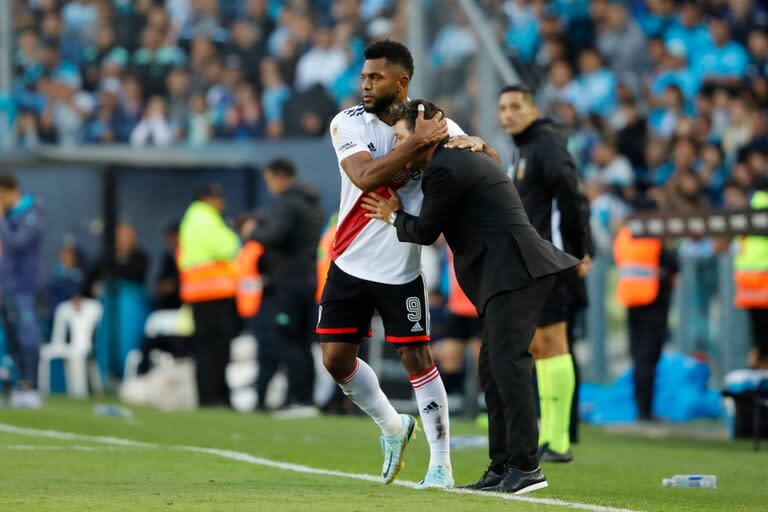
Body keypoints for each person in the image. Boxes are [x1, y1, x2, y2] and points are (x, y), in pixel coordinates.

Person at [361, 99, 580, 495]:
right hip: (509, 271)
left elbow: (426, 232)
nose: (396, 146)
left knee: (508, 365)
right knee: (493, 368)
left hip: (516, 271)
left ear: (424, 131)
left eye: (400, 136)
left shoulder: (446, 167)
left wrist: (393, 214)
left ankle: (527, 467)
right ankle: (502, 465)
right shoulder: (455, 158)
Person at [318, 40, 496, 489]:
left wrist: (479, 147)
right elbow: (364, 176)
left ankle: (441, 465)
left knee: (417, 357)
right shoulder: (348, 123)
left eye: (375, 78)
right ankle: (393, 427)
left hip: (402, 268)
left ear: (402, 81)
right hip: (349, 262)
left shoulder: (434, 122)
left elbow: (484, 164)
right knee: (336, 361)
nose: (365, 85)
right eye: (363, 77)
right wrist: (415, 144)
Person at [498, 84, 590, 463]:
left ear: (533, 110)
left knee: (554, 343)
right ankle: (550, 436)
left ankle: (558, 439)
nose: (508, 114)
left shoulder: (546, 145)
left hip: (551, 260)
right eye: (502, 108)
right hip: (533, 262)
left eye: (516, 106)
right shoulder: (523, 148)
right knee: (539, 347)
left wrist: (576, 252)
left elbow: (571, 195)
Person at [241, 158, 324, 415]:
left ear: (280, 176)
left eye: (269, 180)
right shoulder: (313, 202)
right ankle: (304, 399)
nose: (268, 186)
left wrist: (252, 231)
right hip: (306, 281)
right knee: (300, 341)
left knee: (286, 340)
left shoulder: (288, 203)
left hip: (289, 283)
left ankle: (298, 399)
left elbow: (276, 236)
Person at [613, 200, 678, 421]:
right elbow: (673, 263)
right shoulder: (653, 236)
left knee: (638, 357)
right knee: (648, 358)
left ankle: (641, 409)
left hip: (632, 300)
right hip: (653, 302)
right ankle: (645, 412)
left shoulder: (624, 234)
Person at [178, 184, 240, 407]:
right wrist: (234, 237)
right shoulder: (207, 218)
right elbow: (227, 247)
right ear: (208, 199)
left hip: (199, 294)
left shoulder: (191, 218)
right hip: (213, 293)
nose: (222, 203)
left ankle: (208, 396)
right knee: (217, 349)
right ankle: (214, 397)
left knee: (205, 349)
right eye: (218, 198)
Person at [0, 172, 45, 408]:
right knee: (12, 338)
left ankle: (33, 388)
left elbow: (17, 243)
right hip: (6, 287)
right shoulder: (9, 216)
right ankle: (21, 386)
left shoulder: (32, 212)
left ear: (10, 191)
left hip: (24, 287)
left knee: (28, 337)